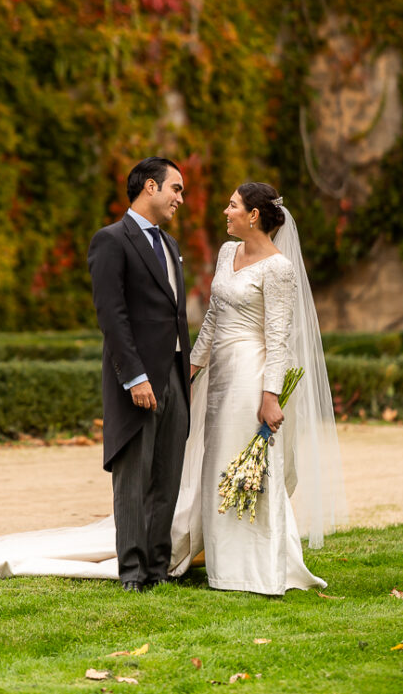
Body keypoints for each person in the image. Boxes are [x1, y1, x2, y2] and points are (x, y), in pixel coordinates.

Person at [187, 181, 345, 595]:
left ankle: (254, 568)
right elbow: (213, 317)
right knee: (215, 464)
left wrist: (270, 396)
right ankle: (220, 563)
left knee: (247, 467)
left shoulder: (279, 268)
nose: (226, 211)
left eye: (232, 205)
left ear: (253, 215)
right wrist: (191, 367)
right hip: (219, 377)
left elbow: (278, 337)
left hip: (251, 377)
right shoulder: (227, 253)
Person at [87, 156, 191, 592]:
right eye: (176, 188)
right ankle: (131, 571)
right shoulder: (111, 240)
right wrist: (134, 377)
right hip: (137, 380)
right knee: (133, 478)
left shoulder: (169, 244)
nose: (180, 198)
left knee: (167, 476)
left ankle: (157, 568)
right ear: (150, 186)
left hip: (175, 376)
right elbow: (112, 316)